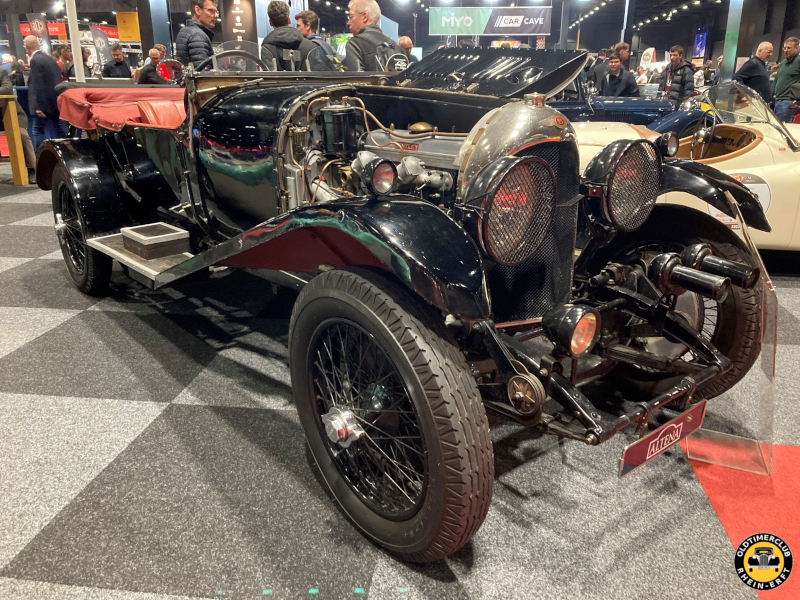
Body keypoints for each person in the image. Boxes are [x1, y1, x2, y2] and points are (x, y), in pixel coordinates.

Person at [24, 36, 68, 150]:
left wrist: (37, 106)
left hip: (43, 104)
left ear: (27, 46)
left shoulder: (35, 60)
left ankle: (39, 159)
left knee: (37, 130)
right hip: (56, 101)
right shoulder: (50, 59)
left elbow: (36, 84)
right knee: (61, 129)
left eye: (24, 44)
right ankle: (67, 152)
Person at [343, 0, 404, 72]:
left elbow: (358, 81)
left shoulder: (355, 44)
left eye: (351, 17)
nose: (348, 22)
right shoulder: (397, 48)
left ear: (364, 17)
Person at [0, 67, 36, 177]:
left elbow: (7, 89)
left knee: (21, 135)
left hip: (10, 113)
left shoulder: (1, 72)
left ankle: (32, 169)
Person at [260, 1, 315, 71]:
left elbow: (269, 78)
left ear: (270, 22)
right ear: (289, 20)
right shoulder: (309, 45)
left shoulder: (267, 48)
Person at [176, 0, 216, 68]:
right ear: (198, 10)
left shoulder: (185, 30)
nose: (216, 15)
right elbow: (202, 74)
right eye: (211, 11)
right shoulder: (198, 35)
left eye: (216, 11)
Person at [771, 37, 800, 123]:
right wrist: (770, 97)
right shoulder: (783, 62)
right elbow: (776, 80)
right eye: (785, 48)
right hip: (777, 101)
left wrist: (798, 99)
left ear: (797, 48)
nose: (786, 50)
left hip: (788, 102)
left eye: (789, 48)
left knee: (782, 130)